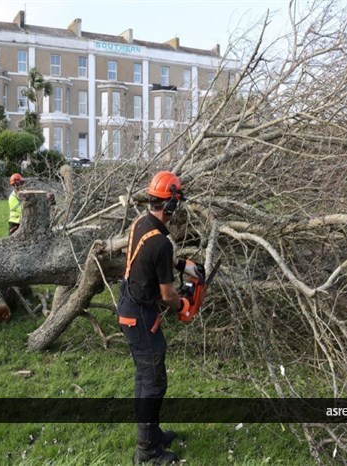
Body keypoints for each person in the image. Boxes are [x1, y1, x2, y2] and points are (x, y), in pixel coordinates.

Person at [117, 171, 204, 465]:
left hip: (130, 304)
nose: (176, 210)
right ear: (169, 206)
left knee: (147, 377)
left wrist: (184, 265)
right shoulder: (161, 242)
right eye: (175, 205)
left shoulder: (141, 223)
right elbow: (167, 296)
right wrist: (183, 304)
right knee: (153, 382)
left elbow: (152, 256)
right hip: (140, 315)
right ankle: (147, 452)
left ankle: (151, 434)